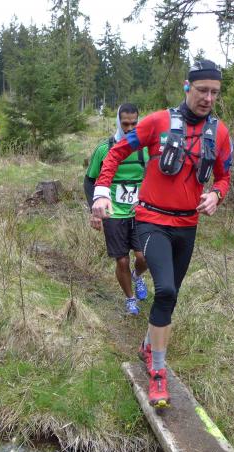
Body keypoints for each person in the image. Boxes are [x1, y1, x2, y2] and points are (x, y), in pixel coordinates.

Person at [91, 59, 232, 409]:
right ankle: (157, 372)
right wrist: (101, 192)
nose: (208, 98)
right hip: (152, 220)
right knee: (165, 289)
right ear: (187, 87)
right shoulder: (158, 121)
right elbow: (117, 152)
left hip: (188, 225)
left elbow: (224, 175)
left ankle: (147, 345)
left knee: (170, 296)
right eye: (202, 90)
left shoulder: (219, 132)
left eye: (215, 92)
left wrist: (217, 194)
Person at [84, 103, 150, 316]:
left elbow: (153, 178)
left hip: (139, 212)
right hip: (113, 212)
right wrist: (94, 210)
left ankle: (137, 276)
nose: (130, 128)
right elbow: (89, 180)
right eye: (125, 124)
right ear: (118, 123)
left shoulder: (145, 149)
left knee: (144, 257)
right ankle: (130, 299)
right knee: (122, 260)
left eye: (134, 124)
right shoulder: (104, 149)